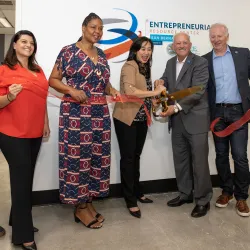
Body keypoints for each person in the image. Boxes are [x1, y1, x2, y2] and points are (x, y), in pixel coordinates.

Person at [49, 13, 119, 229]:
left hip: (99, 115)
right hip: (75, 115)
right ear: (83, 28)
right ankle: (79, 209)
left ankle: (88, 202)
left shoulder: (102, 54)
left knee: (97, 158)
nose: (97, 31)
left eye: (100, 28)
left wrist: (112, 89)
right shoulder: (68, 52)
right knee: (77, 160)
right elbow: (52, 80)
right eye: (92, 27)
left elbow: (104, 84)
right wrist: (71, 90)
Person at [0, 30, 50, 250]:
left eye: (31, 42)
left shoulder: (38, 71)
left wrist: (45, 122)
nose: (28, 45)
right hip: (12, 133)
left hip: (34, 132)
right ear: (14, 45)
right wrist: (9, 96)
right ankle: (23, 234)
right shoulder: (4, 70)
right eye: (23, 41)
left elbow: (42, 99)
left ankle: (16, 218)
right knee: (20, 180)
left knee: (26, 178)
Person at [155, 32, 212, 218]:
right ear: (173, 46)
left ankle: (203, 200)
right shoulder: (171, 63)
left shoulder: (200, 62)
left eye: (184, 42)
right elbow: (166, 81)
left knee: (200, 163)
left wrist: (176, 107)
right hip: (177, 122)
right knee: (181, 161)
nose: (181, 46)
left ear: (190, 44)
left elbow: (197, 91)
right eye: (177, 43)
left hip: (195, 119)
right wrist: (160, 83)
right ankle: (185, 194)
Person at [113, 37, 166, 218]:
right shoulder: (129, 66)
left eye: (149, 49)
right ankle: (130, 200)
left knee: (135, 156)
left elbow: (146, 94)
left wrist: (157, 94)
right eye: (142, 49)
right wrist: (154, 92)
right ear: (135, 50)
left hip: (142, 118)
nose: (146, 52)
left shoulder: (146, 67)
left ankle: (136, 191)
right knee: (128, 159)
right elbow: (129, 92)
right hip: (126, 118)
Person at [203, 23, 250, 217]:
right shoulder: (204, 60)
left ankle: (242, 197)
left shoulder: (243, 54)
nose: (216, 39)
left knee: (239, 156)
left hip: (239, 112)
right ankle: (226, 192)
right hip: (218, 114)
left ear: (227, 36)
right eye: (212, 36)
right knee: (221, 155)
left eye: (219, 36)